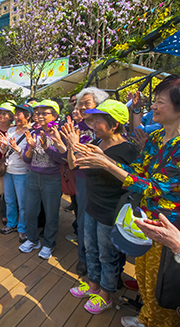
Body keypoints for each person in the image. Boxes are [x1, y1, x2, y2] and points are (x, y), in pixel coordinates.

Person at [73, 76, 180, 327]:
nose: (153, 107)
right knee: (146, 281)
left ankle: (156, 322)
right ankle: (146, 318)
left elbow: (157, 188)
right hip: (143, 221)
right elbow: (137, 171)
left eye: (160, 101)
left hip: (168, 229)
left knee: (162, 288)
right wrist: (105, 160)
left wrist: (107, 164)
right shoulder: (158, 137)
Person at [66, 100, 138, 314]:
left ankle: (106, 294)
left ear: (114, 124)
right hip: (92, 207)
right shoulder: (96, 143)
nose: (93, 123)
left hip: (111, 211)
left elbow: (132, 180)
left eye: (98, 120)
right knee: (90, 248)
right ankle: (94, 285)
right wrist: (72, 144)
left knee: (108, 254)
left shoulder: (127, 150)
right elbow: (73, 165)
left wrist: (105, 161)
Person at [65, 87, 108, 276]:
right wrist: (68, 144)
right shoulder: (77, 128)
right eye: (79, 104)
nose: (81, 107)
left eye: (86, 104)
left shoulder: (106, 127)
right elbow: (72, 163)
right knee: (84, 222)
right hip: (84, 180)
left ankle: (106, 267)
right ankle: (84, 259)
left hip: (107, 182)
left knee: (104, 226)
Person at [19, 100, 67, 259]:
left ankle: (48, 243)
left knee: (51, 213)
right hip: (33, 176)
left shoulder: (60, 134)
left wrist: (47, 147)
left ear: (54, 115)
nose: (38, 116)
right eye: (37, 113)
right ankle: (32, 239)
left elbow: (63, 159)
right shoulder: (33, 133)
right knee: (31, 211)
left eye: (43, 113)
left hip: (52, 178)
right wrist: (31, 148)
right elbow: (26, 160)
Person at [0, 104, 33, 242]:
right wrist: (4, 146)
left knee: (23, 203)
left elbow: (31, 155)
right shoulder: (11, 130)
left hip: (22, 172)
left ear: (28, 116)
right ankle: (11, 224)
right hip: (8, 170)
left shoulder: (32, 132)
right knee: (9, 200)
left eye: (19, 114)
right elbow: (3, 152)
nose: (16, 117)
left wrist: (17, 149)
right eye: (15, 114)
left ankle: (22, 228)